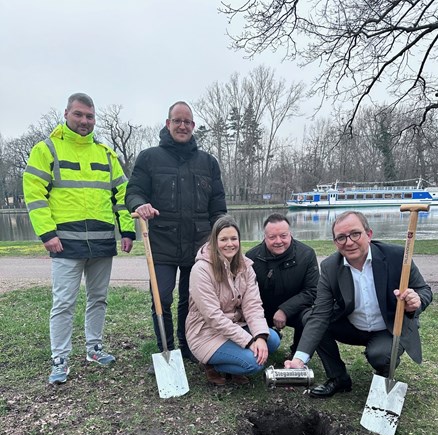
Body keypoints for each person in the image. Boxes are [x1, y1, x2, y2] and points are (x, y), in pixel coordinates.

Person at [23, 92, 135, 385]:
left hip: (101, 242)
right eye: (79, 115)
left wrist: (127, 230)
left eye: (89, 116)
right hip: (65, 243)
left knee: (98, 299)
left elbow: (122, 194)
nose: (85, 121)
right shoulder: (46, 150)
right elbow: (35, 195)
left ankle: (94, 348)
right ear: (66, 114)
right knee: (64, 303)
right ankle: (60, 359)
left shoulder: (105, 153)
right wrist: (46, 233)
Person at [285, 210, 433, 397]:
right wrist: (299, 359)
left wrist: (416, 301)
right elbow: (320, 315)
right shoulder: (330, 267)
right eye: (341, 238)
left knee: (380, 355)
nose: (349, 242)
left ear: (369, 234)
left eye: (355, 234)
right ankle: (338, 378)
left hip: (387, 328)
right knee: (309, 318)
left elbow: (424, 290)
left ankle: (383, 371)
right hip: (352, 326)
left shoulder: (397, 257)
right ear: (335, 242)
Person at [125, 101, 227, 365]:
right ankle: (166, 350)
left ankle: (188, 345)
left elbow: (217, 205)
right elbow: (134, 191)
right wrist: (140, 205)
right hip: (161, 243)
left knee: (191, 298)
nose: (182, 126)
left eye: (188, 122)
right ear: (167, 123)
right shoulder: (149, 158)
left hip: (199, 244)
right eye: (177, 121)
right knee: (162, 297)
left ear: (193, 127)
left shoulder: (208, 162)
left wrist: (220, 235)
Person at [185, 216, 281, 386]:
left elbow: (253, 305)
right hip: (207, 332)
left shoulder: (245, 266)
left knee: (272, 340)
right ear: (215, 241)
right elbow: (213, 317)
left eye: (233, 238)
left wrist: (259, 336)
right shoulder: (201, 270)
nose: (229, 244)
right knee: (253, 363)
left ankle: (234, 359)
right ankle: (210, 363)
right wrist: (248, 341)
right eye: (223, 239)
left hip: (235, 325)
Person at [246, 213, 319, 355]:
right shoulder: (251, 258)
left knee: (311, 316)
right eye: (272, 237)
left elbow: (312, 290)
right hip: (261, 310)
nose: (278, 241)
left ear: (290, 234)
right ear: (264, 237)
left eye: (283, 236)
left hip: (295, 310)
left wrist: (285, 310)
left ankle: (299, 354)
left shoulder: (307, 254)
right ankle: (259, 346)